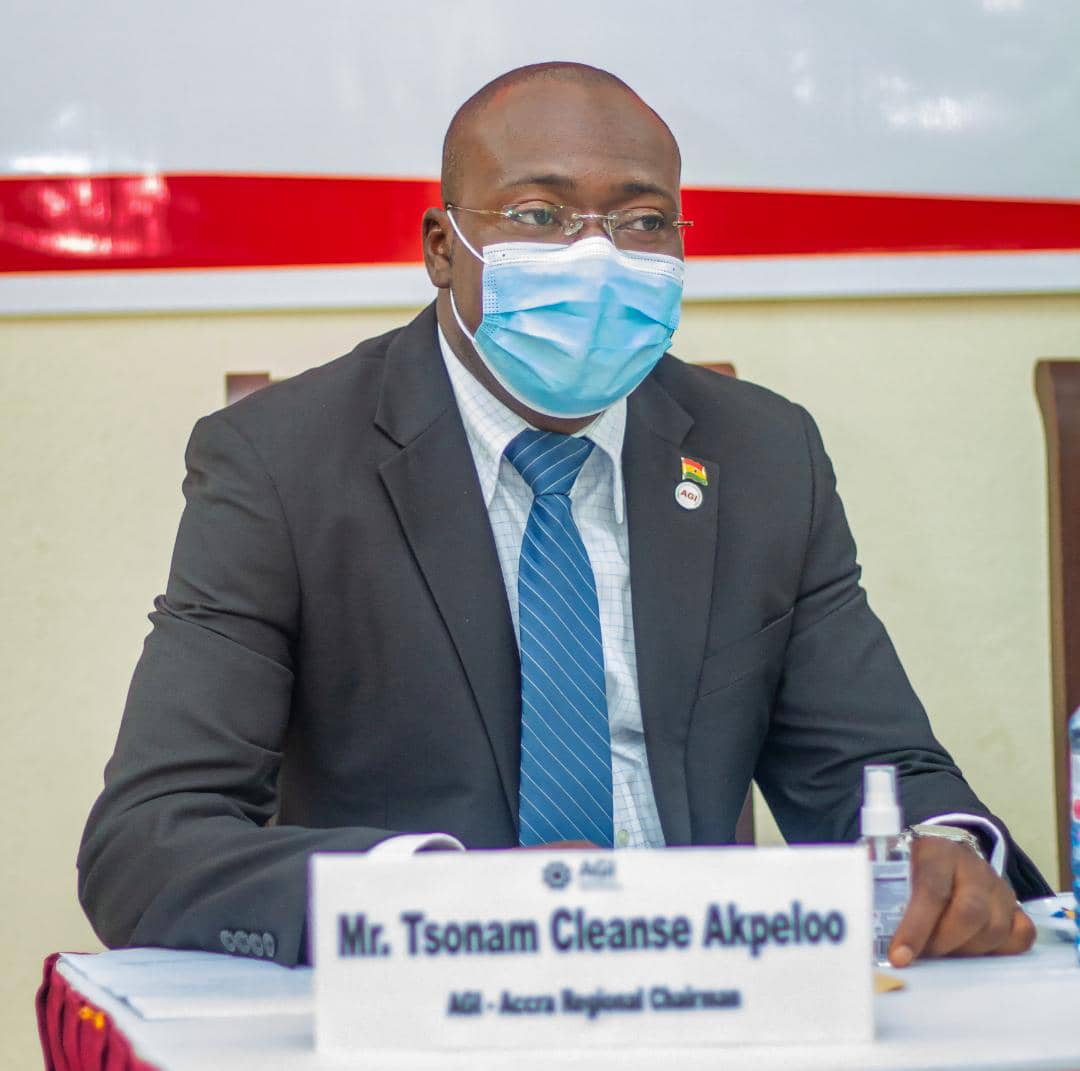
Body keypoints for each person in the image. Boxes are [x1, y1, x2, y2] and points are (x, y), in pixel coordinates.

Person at [79, 62, 1049, 970]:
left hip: (704, 989)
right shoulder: (284, 462)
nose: (597, 256)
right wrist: (438, 898)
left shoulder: (763, 455)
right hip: (430, 996)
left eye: (643, 221)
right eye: (539, 215)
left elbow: (874, 770)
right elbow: (148, 841)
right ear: (441, 249)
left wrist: (941, 853)